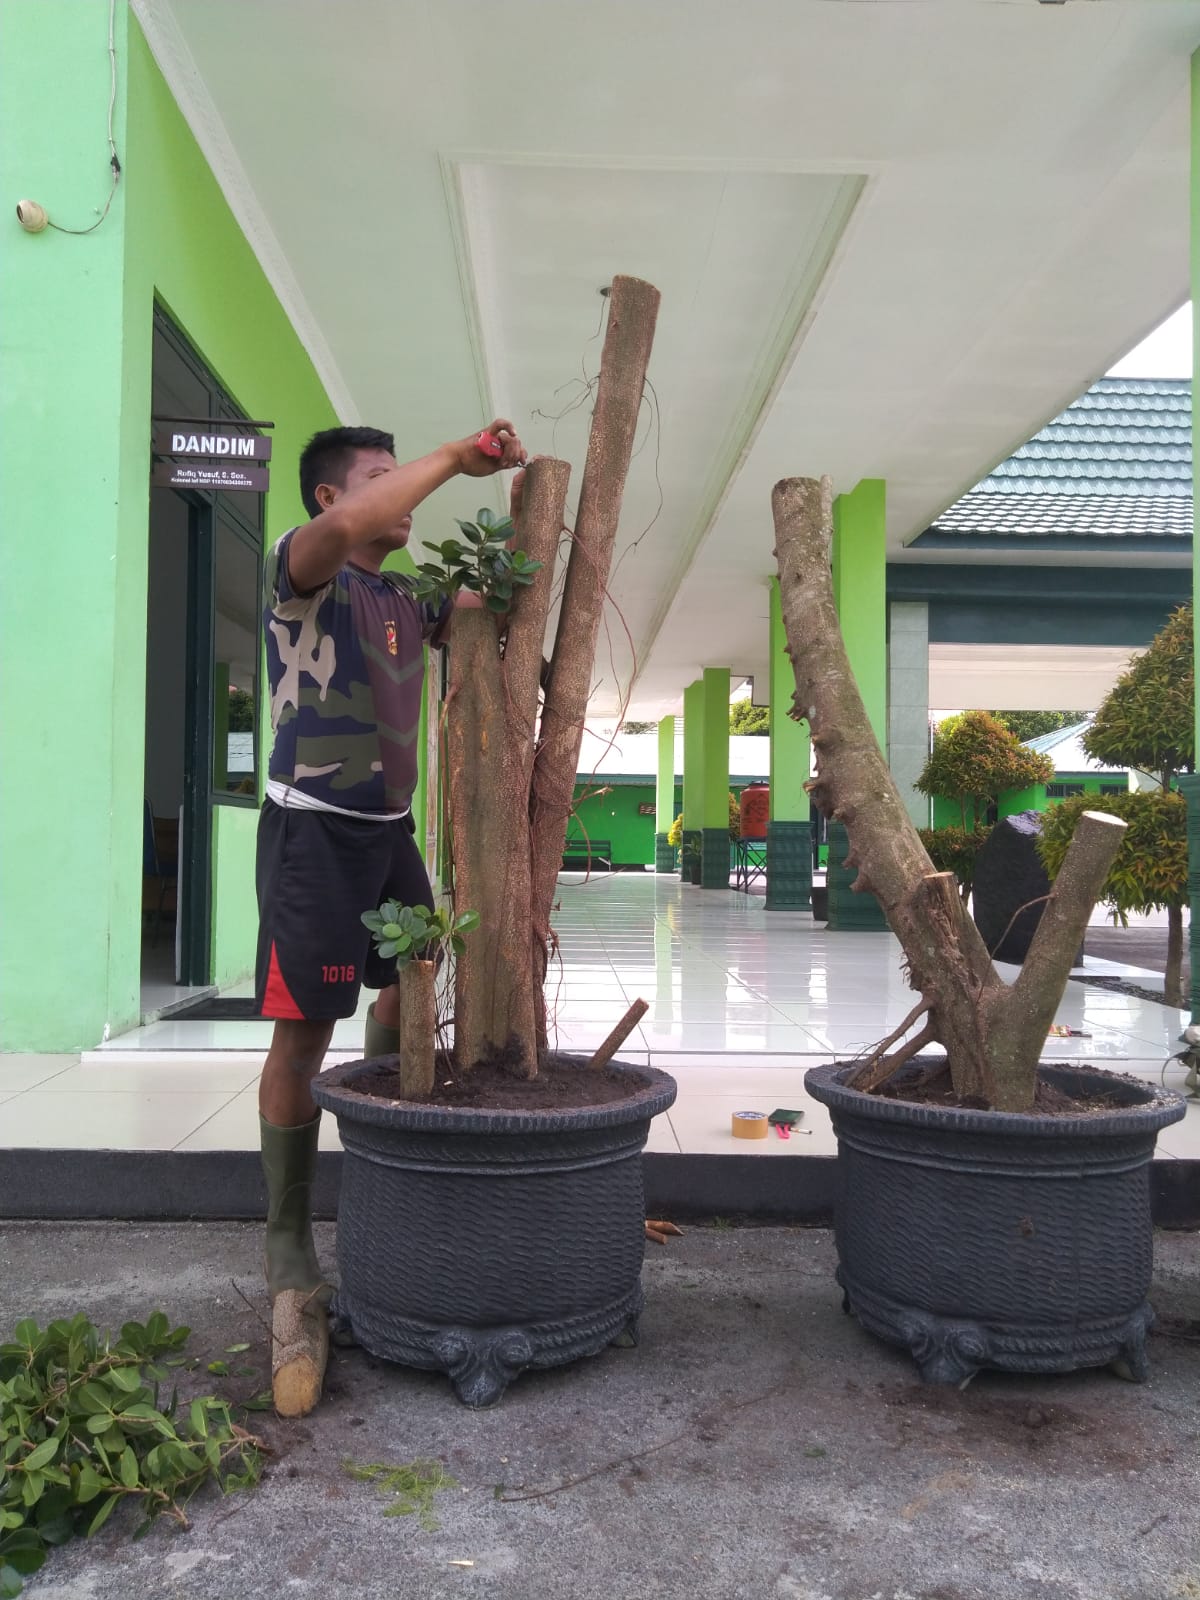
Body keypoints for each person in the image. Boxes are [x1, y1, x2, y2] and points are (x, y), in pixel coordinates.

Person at [256, 420, 525, 1306]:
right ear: (335, 499)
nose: (406, 489)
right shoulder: (301, 573)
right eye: (386, 477)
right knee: (304, 1034)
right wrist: (452, 457)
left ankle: (379, 1143)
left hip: (389, 832)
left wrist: (522, 534)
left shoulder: (405, 598)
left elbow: (486, 615)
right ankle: (288, 1237)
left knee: (416, 974)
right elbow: (334, 538)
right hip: (314, 835)